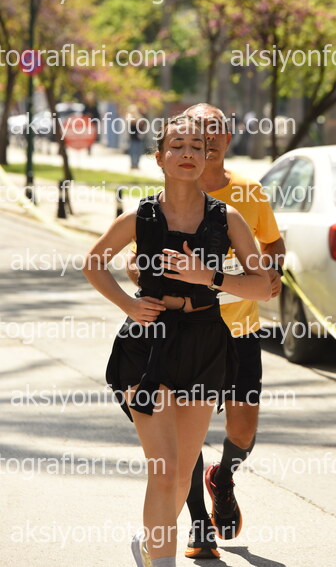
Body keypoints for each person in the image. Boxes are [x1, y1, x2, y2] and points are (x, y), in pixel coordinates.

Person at [83, 114, 272, 567]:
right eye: (177, 145)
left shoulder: (227, 218)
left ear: (207, 157)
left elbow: (263, 285)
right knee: (165, 470)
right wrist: (128, 306)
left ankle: (150, 545)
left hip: (205, 343)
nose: (188, 153)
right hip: (148, 346)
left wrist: (209, 276)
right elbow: (94, 262)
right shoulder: (140, 216)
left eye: (197, 147)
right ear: (160, 157)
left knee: (182, 472)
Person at [182, 103, 286, 558]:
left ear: (227, 138)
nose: (208, 137)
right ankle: (198, 525)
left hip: (241, 330)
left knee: (243, 432)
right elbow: (136, 255)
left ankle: (222, 479)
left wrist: (271, 271)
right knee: (185, 432)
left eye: (216, 129)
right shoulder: (175, 190)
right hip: (186, 332)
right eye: (199, 129)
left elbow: (273, 244)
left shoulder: (248, 191)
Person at [126, 104, 145, 169]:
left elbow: (142, 124)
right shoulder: (129, 117)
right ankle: (133, 164)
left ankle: (136, 164)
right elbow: (131, 122)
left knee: (139, 152)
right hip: (133, 138)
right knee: (133, 152)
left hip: (139, 137)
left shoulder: (139, 116)